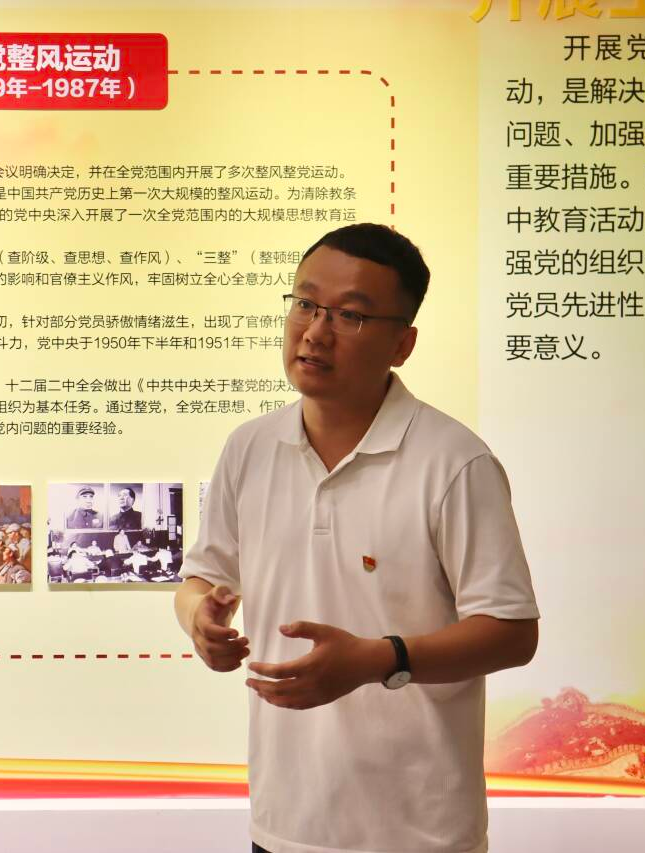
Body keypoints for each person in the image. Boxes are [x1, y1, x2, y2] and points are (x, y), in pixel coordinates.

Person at [173, 224, 540, 853]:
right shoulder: (250, 448)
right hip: (284, 824)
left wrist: (378, 659)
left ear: (402, 344)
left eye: (350, 315)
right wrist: (198, 619)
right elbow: (202, 578)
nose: (316, 332)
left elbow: (511, 632)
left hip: (419, 834)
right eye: (306, 303)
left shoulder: (454, 463)